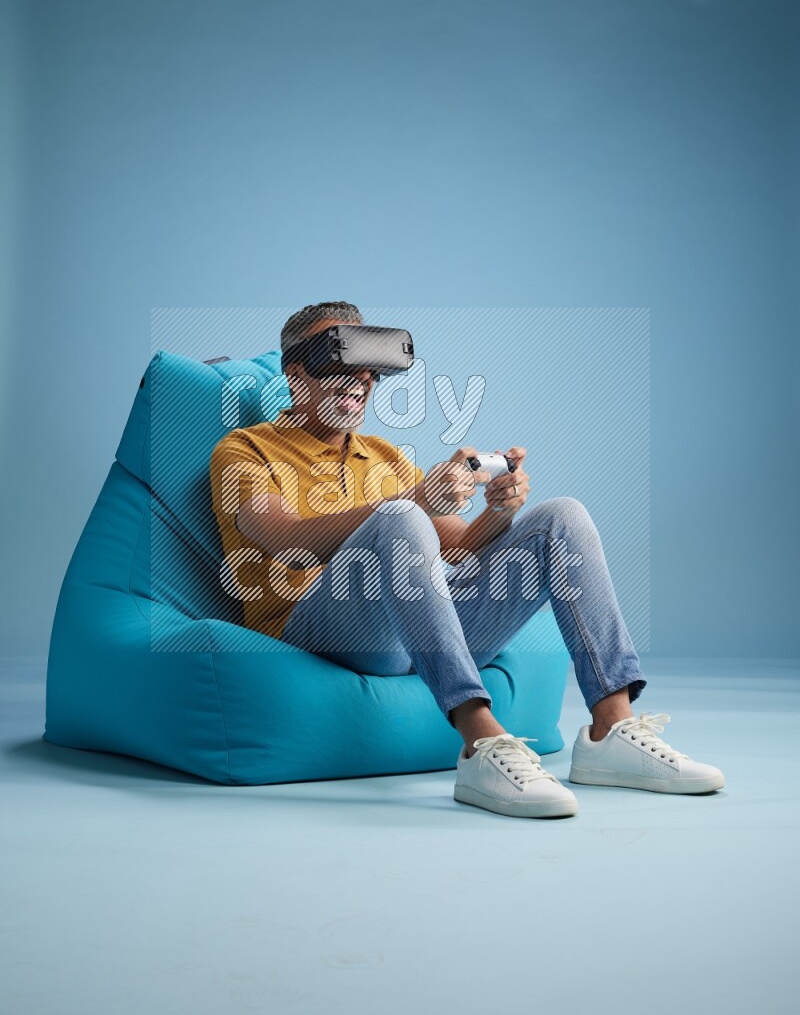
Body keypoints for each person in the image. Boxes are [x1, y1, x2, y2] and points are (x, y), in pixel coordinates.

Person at [210, 300, 724, 818]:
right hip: (319, 631)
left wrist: (500, 510)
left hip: (415, 632)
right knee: (401, 516)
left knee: (561, 517)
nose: (362, 378)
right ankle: (481, 742)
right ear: (296, 372)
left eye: (370, 366)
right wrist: (415, 500)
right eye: (341, 359)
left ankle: (610, 728)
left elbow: (462, 548)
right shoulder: (244, 450)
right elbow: (285, 538)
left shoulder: (385, 457)